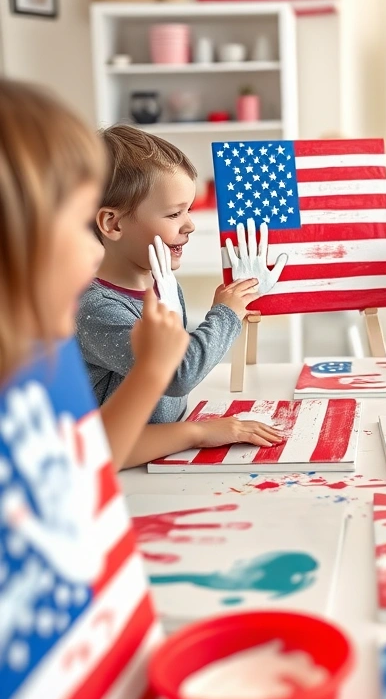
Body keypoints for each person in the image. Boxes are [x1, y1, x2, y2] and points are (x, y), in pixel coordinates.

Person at [0, 78, 189, 470]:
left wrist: (154, 375)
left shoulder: (41, 348)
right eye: (77, 222)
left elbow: (86, 454)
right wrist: (154, 371)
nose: (93, 247)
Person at [76, 124, 282, 466]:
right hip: (115, 464)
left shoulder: (164, 286)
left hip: (159, 450)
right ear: (112, 224)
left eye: (188, 210)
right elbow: (177, 375)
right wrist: (226, 314)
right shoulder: (96, 309)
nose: (189, 225)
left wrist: (239, 298)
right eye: (174, 214)